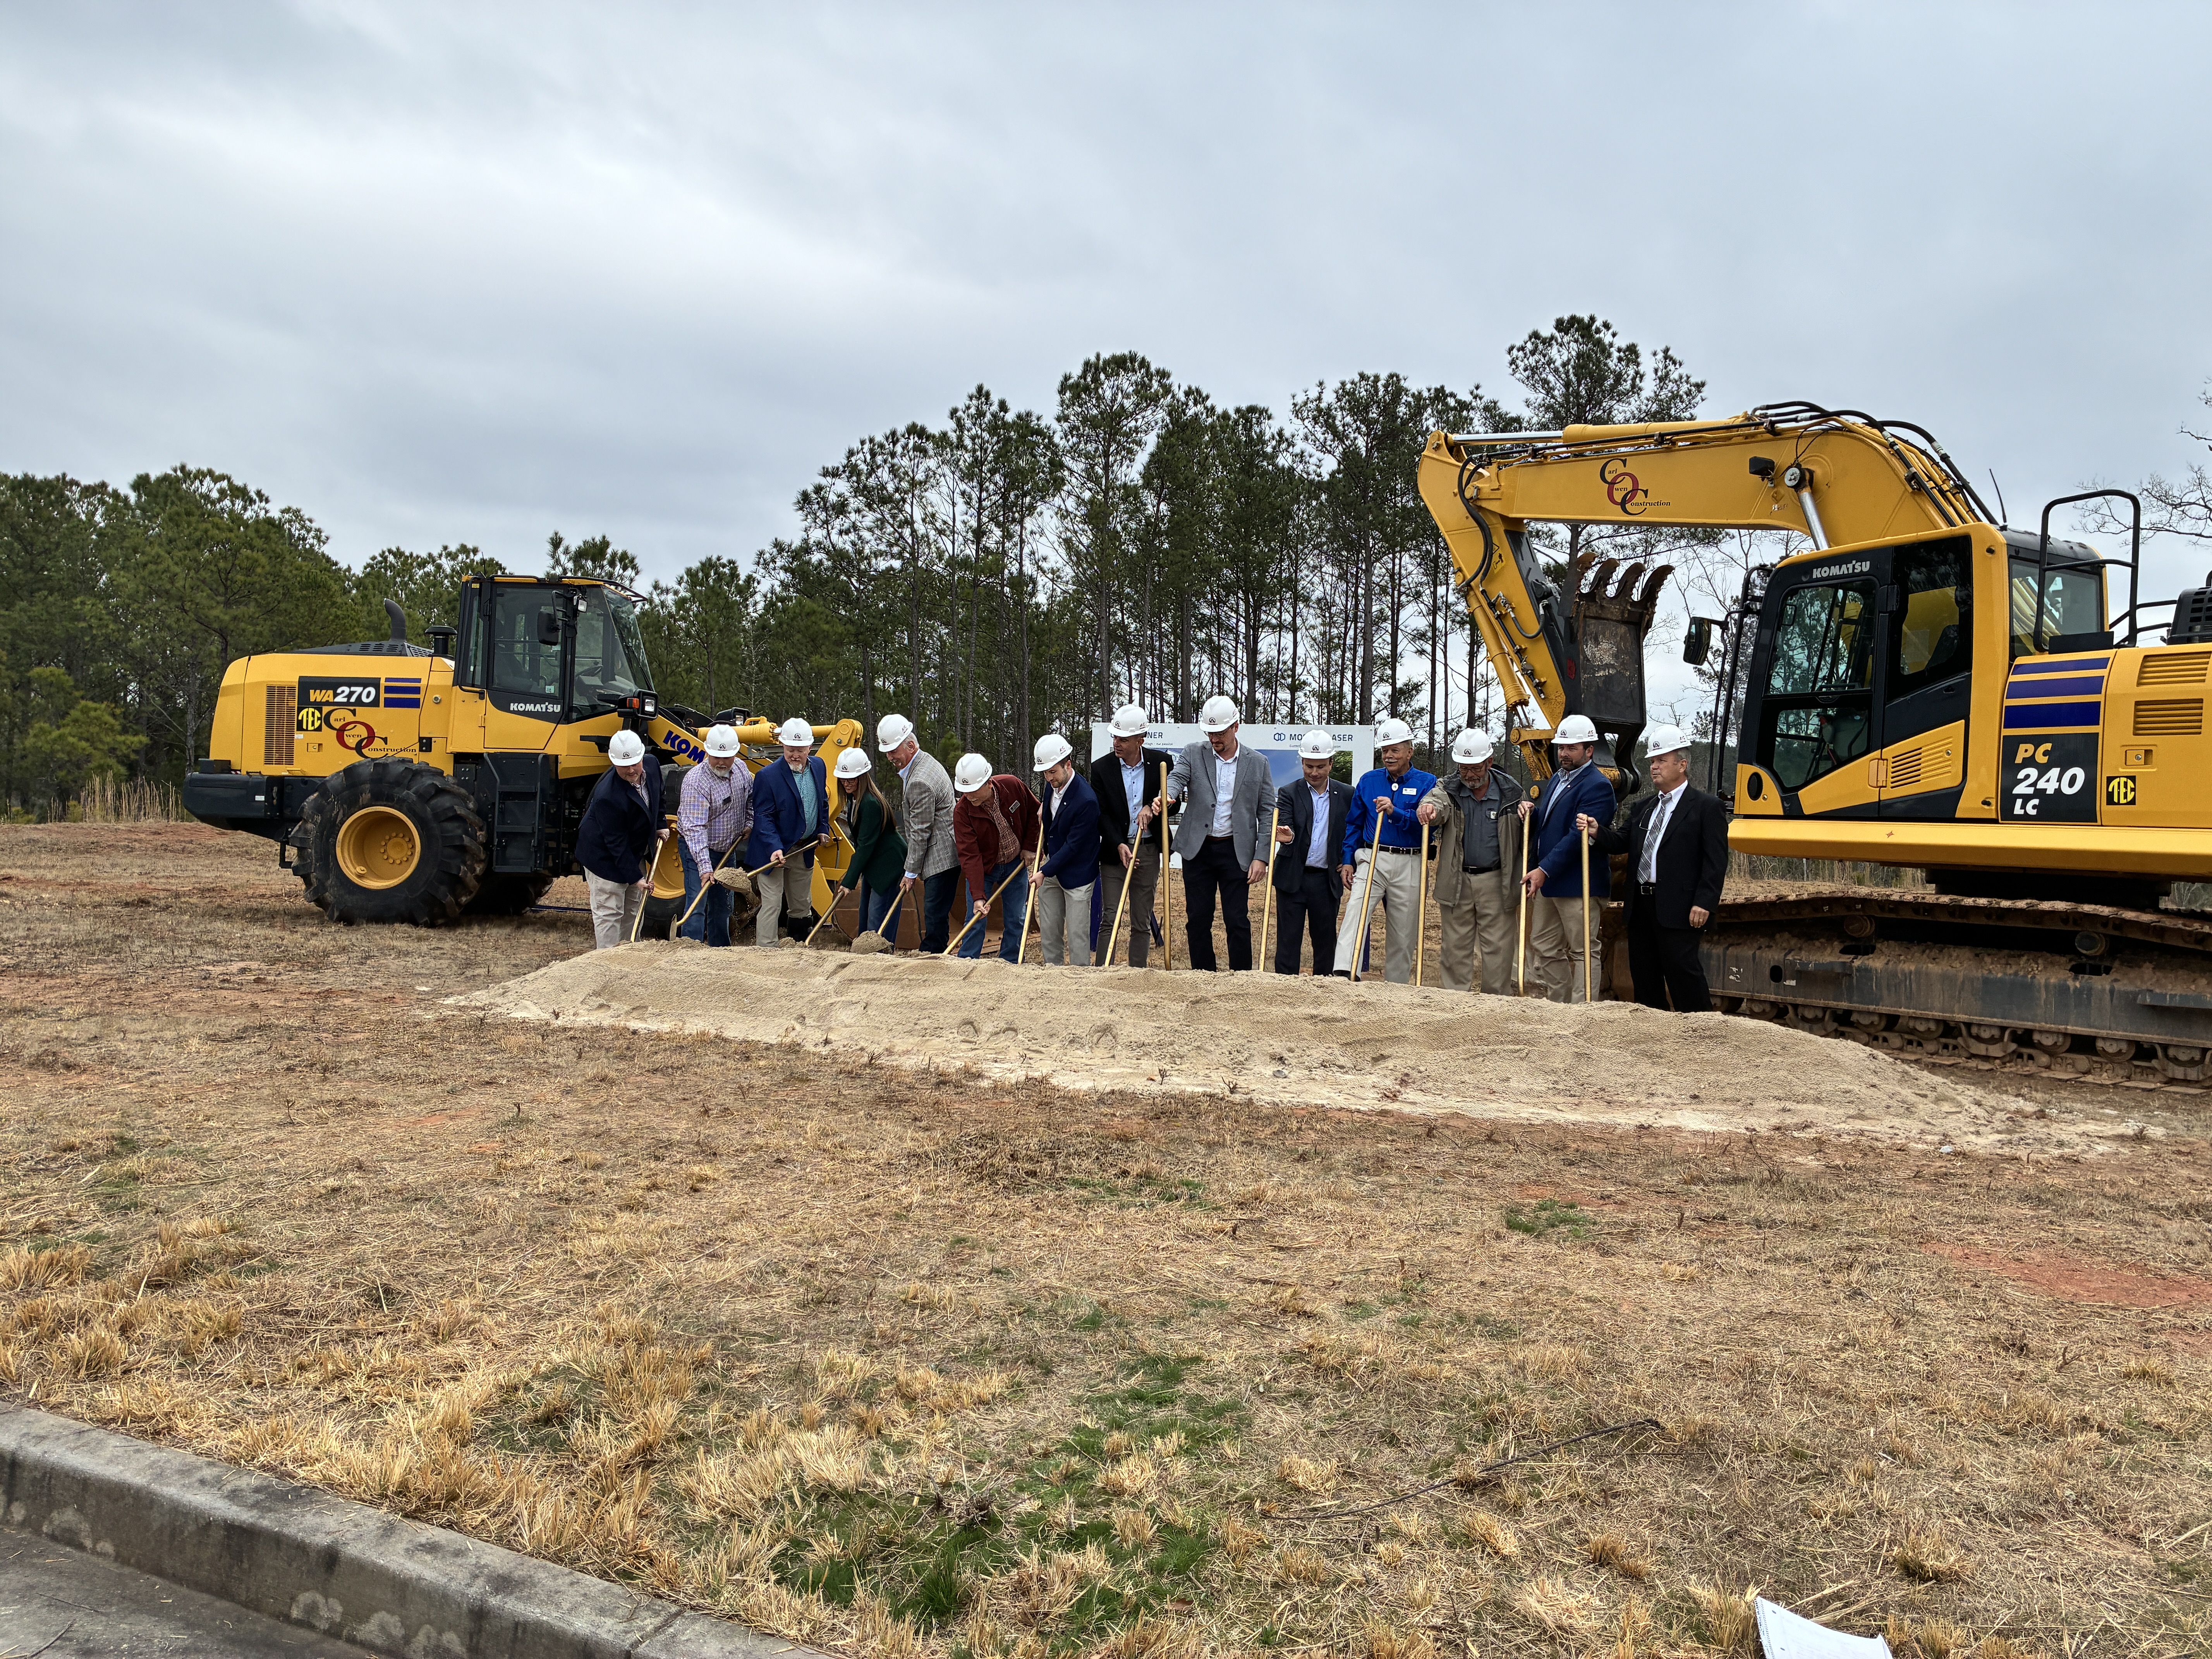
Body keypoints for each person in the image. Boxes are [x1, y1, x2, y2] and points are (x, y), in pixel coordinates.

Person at [1577, 723, 1727, 1012]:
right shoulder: (1645, 807)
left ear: (1682, 765)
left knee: (1683, 973)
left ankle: (1702, 1033)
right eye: (1652, 761)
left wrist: (1704, 902)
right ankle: (1653, 1036)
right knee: (1644, 975)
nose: (1654, 767)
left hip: (1681, 907)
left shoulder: (1706, 808)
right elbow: (1622, 841)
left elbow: (1716, 861)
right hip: (1642, 906)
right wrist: (1597, 831)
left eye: (1661, 761)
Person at [1149, 696, 1276, 972]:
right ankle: (1203, 977)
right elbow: (1176, 778)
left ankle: (1242, 980)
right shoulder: (1194, 752)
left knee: (1237, 919)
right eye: (1210, 732)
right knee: (1197, 918)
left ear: (1236, 727)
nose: (1215, 738)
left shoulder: (1259, 763)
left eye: (1220, 732)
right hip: (1199, 850)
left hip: (1236, 851)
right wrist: (1166, 795)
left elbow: (1267, 812)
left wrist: (1262, 857)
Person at [1331, 717, 1437, 983]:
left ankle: (1396, 989)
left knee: (1403, 929)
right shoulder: (1369, 781)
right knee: (1357, 908)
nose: (1388, 756)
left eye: (1395, 750)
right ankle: (1345, 972)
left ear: (1410, 751)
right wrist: (1347, 860)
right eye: (1385, 751)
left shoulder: (1428, 782)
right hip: (1372, 857)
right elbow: (1354, 824)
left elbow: (1427, 827)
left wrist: (1395, 811)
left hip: (1410, 861)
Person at [1417, 728, 1523, 994]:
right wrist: (1429, 808)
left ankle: (1496, 1004)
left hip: (1497, 880)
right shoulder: (1449, 788)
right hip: (1457, 880)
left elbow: (1528, 834)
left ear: (1489, 762)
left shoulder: (1511, 793)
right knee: (1454, 948)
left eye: (1475, 768)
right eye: (1464, 769)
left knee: (1498, 949)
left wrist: (1528, 811)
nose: (1470, 775)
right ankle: (1454, 1003)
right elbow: (1436, 802)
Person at [1522, 713, 1616, 1001]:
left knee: (1584, 950)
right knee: (1544, 944)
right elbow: (1555, 825)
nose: (1564, 753)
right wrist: (1532, 813)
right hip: (1551, 881)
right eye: (1561, 747)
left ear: (1589, 751)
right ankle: (1560, 1003)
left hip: (1578, 884)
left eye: (1572, 748)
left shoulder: (1598, 786)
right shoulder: (1557, 780)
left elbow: (1579, 838)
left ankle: (1583, 1012)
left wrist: (1543, 871)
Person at [1088, 703, 1173, 966]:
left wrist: (1156, 804)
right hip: (1116, 852)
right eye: (1115, 737)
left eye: (1123, 739)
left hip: (1148, 850)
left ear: (1141, 739)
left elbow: (1175, 801)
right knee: (1110, 917)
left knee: (1141, 918)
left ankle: (1136, 975)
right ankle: (1103, 973)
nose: (1117, 743)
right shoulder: (1101, 769)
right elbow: (1101, 814)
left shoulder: (1162, 762)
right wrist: (1118, 846)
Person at [1270, 728, 1353, 975]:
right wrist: (1288, 835)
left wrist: (1347, 860)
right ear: (1302, 763)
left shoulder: (1348, 794)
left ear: (1331, 763)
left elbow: (1353, 832)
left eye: (1320, 767)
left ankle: (1325, 990)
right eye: (1309, 767)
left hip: (1326, 881)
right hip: (1293, 877)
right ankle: (1284, 990)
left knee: (1325, 939)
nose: (1314, 773)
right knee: (1288, 939)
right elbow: (1286, 821)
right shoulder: (1289, 792)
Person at [576, 728, 665, 948]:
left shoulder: (652, 765)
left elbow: (658, 796)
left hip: (633, 850)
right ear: (614, 763)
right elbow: (616, 844)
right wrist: (636, 878)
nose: (632, 770)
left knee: (634, 909)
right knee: (610, 911)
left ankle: (629, 957)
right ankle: (607, 964)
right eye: (624, 766)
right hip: (604, 857)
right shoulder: (608, 796)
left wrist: (660, 824)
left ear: (643, 756)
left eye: (636, 763)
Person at [881, 714, 960, 954]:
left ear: (911, 745)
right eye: (887, 752)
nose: (890, 757)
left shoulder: (920, 781)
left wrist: (910, 871)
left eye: (893, 751)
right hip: (945, 849)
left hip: (941, 856)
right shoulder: (924, 763)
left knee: (934, 913)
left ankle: (932, 956)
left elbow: (920, 832)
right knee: (936, 911)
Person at [951, 753, 1039, 962]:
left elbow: (1035, 815)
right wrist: (979, 894)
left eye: (973, 791)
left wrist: (1030, 847)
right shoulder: (962, 812)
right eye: (964, 791)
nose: (969, 796)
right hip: (985, 869)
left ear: (989, 783)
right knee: (976, 916)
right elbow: (969, 855)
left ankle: (1010, 962)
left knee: (1016, 918)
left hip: (1015, 864)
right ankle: (966, 962)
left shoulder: (1013, 786)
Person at [750, 716, 828, 945]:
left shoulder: (820, 766)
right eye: (790, 749)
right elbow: (763, 818)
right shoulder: (767, 777)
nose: (795, 755)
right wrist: (774, 847)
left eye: (800, 750)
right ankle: (766, 952)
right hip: (773, 851)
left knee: (802, 903)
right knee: (773, 903)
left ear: (810, 748)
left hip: (803, 849)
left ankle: (798, 948)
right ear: (783, 746)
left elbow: (822, 801)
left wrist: (822, 828)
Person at [675, 723, 751, 947]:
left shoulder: (742, 771)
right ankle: (690, 955)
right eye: (716, 756)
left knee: (723, 906)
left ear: (735, 754)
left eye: (726, 757)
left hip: (727, 849)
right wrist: (705, 867)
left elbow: (752, 799)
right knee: (697, 905)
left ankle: (719, 955)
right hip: (697, 849)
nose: (721, 762)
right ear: (707, 752)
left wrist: (749, 822)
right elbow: (695, 829)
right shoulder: (696, 782)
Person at [1031, 733, 1100, 966]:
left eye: (1053, 772)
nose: (1049, 778)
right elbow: (1054, 812)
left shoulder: (1086, 800)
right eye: (1045, 773)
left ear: (1068, 765)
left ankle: (1079, 980)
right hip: (1053, 868)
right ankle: (1053, 973)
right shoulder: (1051, 786)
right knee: (1050, 930)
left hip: (1077, 873)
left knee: (1077, 935)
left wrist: (1043, 871)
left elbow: (1073, 847)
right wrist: (1045, 808)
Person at [833, 745, 907, 939]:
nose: (847, 783)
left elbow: (865, 845)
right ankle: (866, 956)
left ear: (863, 777)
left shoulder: (871, 804)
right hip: (873, 865)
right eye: (843, 777)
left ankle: (882, 955)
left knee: (879, 918)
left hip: (888, 865)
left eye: (852, 778)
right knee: (865, 916)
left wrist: (849, 881)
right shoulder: (854, 800)